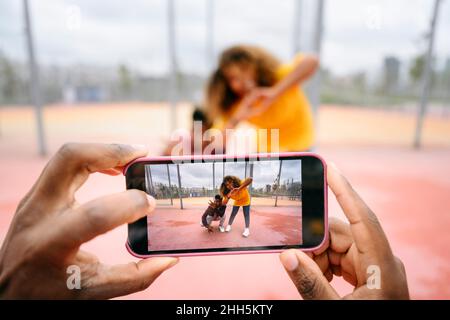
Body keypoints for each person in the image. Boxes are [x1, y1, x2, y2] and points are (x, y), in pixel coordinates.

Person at [0, 143, 409, 299]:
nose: (224, 191)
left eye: (225, 189)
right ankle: (224, 227)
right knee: (221, 218)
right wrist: (214, 216)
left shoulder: (237, 190)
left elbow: (240, 184)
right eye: (223, 191)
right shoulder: (220, 198)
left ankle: (237, 227)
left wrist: (236, 196)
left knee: (240, 216)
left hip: (241, 206)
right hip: (223, 211)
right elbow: (218, 203)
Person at [205, 44, 318, 152]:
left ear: (257, 67)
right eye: (233, 78)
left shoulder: (279, 78)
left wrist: (275, 92)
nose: (243, 81)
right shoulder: (236, 105)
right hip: (268, 154)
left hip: (302, 150)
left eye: (244, 70)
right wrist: (238, 117)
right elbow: (216, 143)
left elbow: (312, 61)